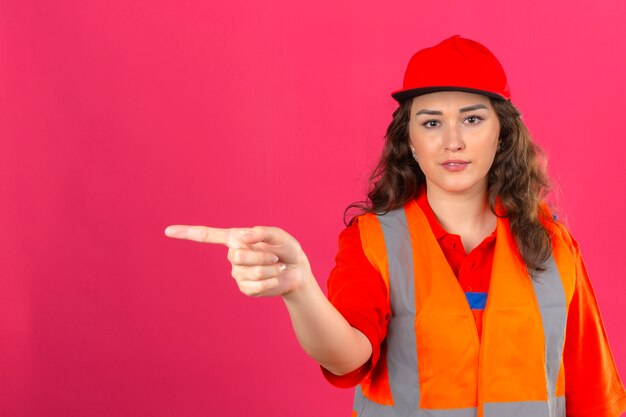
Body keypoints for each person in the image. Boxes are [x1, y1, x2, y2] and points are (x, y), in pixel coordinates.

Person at [164, 35, 626, 417]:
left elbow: (594, 391)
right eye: (431, 122)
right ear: (409, 137)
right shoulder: (373, 241)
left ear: (502, 132)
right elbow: (347, 358)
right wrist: (298, 288)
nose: (452, 141)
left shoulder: (551, 244)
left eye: (471, 118)